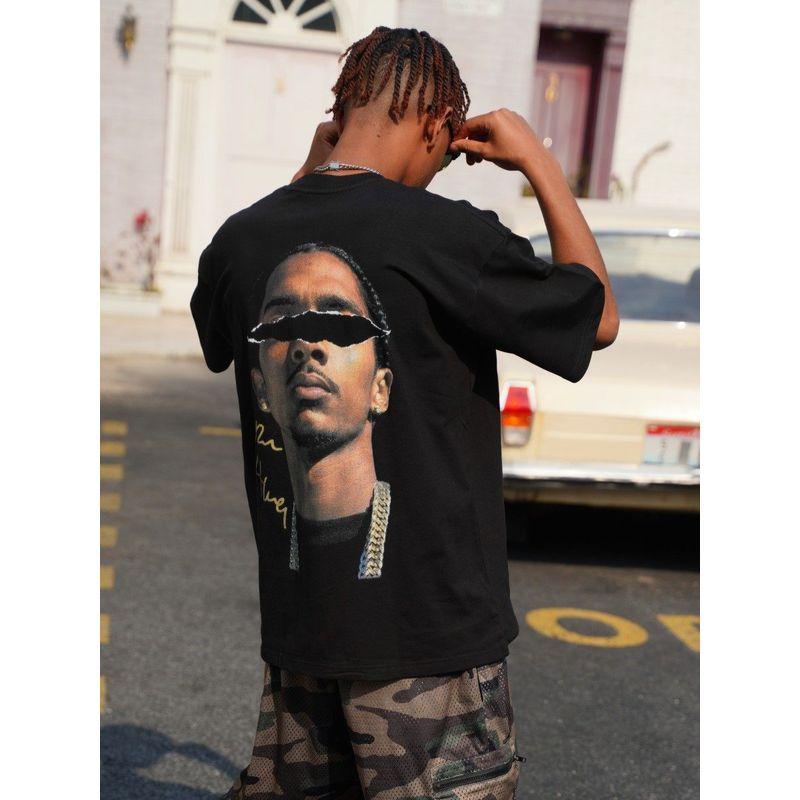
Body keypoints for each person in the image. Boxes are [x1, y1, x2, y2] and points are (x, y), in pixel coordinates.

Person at [190, 25, 618, 800]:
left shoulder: (241, 240)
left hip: (299, 640)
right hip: (433, 651)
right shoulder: (447, 235)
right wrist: (538, 162)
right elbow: (598, 318)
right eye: (446, 150)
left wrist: (309, 174)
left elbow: (220, 334)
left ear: (340, 112)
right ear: (435, 126)